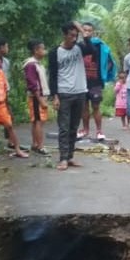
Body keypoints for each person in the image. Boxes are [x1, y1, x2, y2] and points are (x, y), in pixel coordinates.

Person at [48, 21, 94, 171]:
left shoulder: (80, 48)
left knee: (74, 126)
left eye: (76, 35)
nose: (74, 38)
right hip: (64, 93)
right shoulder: (55, 52)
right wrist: (54, 96)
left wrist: (83, 32)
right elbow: (53, 76)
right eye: (71, 35)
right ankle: (63, 159)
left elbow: (92, 50)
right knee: (64, 127)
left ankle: (70, 156)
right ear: (65, 35)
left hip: (80, 92)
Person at [79, 22, 116, 142]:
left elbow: (110, 61)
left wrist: (104, 74)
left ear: (93, 32)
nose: (87, 32)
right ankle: (85, 130)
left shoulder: (100, 46)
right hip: (81, 82)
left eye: (89, 30)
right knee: (84, 107)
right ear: (81, 31)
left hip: (95, 82)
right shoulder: (79, 46)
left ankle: (99, 131)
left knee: (96, 106)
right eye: (85, 30)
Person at [22, 39, 51, 156]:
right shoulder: (31, 65)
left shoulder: (37, 64)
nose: (44, 51)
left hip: (39, 96)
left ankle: (35, 144)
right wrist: (40, 100)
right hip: (36, 97)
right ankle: (40, 146)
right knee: (38, 121)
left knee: (37, 121)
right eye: (43, 49)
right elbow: (33, 85)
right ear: (36, 50)